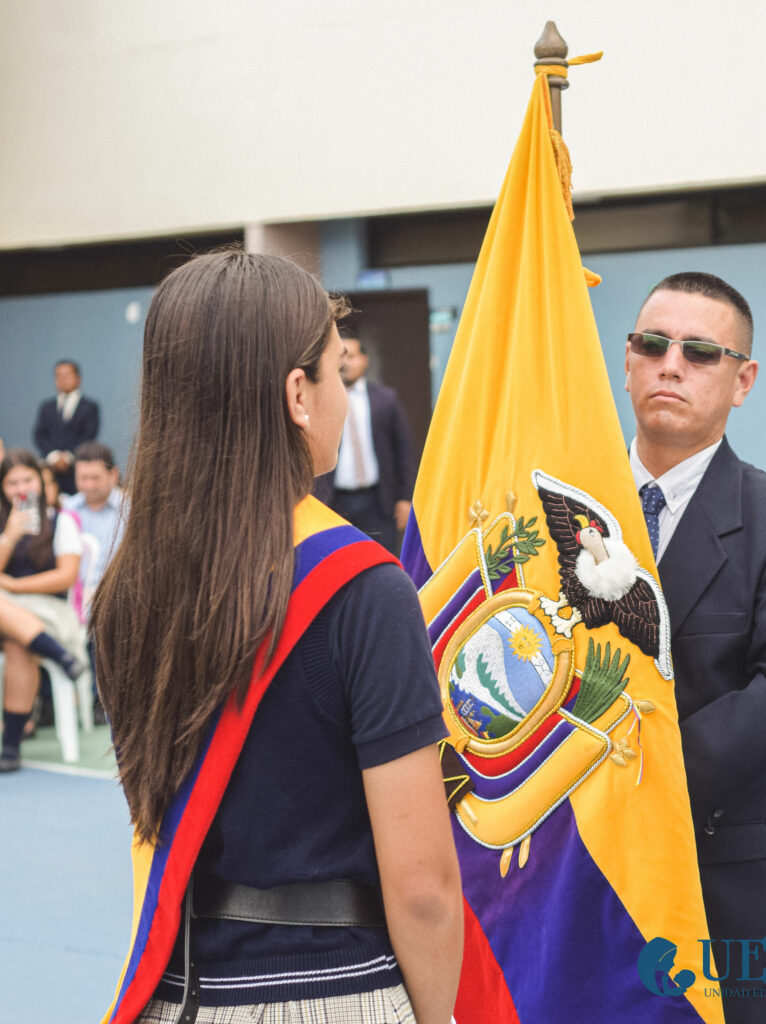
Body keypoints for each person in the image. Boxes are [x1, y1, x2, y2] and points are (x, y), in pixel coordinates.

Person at [93, 251, 461, 1024]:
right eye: (336, 371)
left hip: (178, 991)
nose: (342, 394)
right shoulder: (363, 590)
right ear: (298, 394)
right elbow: (423, 886)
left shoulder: (126, 587)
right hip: (334, 991)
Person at [625, 272, 766, 1023]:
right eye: (652, 345)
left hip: (722, 893)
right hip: (571, 883)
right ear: (627, 362)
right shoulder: (562, 512)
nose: (670, 365)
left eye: (700, 352)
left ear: (743, 381)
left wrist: (634, 786)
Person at [0, 448, 87, 770]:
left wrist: (14, 585)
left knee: (18, 645)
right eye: (12, 483)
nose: (21, 489)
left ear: (40, 481)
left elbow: (65, 577)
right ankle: (60, 656)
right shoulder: (4, 525)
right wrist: (9, 536)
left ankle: (10, 747)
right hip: (6, 613)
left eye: (28, 480)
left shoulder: (61, 521)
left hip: (49, 613)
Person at [316, 333, 416, 555]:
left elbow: (404, 451)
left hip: (378, 502)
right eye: (341, 357)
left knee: (383, 558)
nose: (346, 363)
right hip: (333, 501)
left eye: (351, 356)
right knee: (338, 560)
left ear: (364, 360)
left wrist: (405, 498)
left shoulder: (386, 399)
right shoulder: (319, 400)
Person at [62, 440, 127, 596]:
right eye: (83, 478)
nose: (89, 485)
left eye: (95, 478)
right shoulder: (66, 509)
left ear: (113, 475)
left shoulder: (128, 512)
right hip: (71, 599)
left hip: (116, 595)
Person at [32, 358, 101, 495]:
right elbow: (40, 434)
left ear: (79, 379)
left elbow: (88, 436)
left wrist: (68, 457)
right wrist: (54, 456)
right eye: (58, 376)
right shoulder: (47, 407)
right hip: (51, 471)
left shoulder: (90, 407)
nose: (63, 379)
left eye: (67, 375)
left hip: (75, 470)